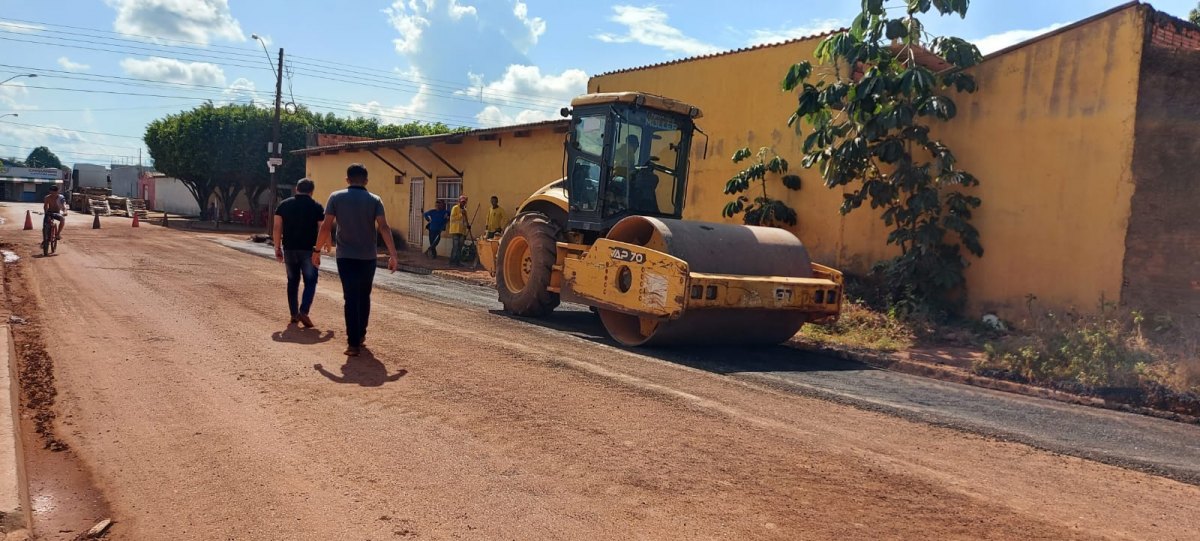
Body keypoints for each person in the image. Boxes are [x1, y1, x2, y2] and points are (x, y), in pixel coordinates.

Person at [315, 163, 398, 356]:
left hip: (345, 256)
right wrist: (393, 254)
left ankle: (353, 344)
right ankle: (360, 334)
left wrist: (316, 249)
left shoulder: (336, 197)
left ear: (347, 179)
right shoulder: (375, 199)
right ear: (366, 180)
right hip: (368, 257)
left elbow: (326, 226)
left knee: (350, 298)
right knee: (364, 295)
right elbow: (384, 227)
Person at [273, 178, 325, 328]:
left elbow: (277, 227)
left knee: (292, 281)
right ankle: (304, 311)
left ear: (297, 189)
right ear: (311, 191)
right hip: (309, 250)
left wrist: (277, 248)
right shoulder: (316, 206)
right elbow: (323, 228)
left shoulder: (283, 205)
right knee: (310, 281)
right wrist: (322, 247)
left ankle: (294, 314)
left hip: (289, 249)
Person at [447, 194, 469, 267]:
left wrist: (467, 226)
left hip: (462, 231)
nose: (463, 203)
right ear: (459, 201)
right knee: (455, 246)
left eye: (464, 202)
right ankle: (452, 261)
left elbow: (465, 220)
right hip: (455, 230)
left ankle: (457, 261)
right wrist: (460, 214)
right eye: (462, 201)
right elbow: (452, 218)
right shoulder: (455, 208)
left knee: (460, 247)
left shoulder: (465, 210)